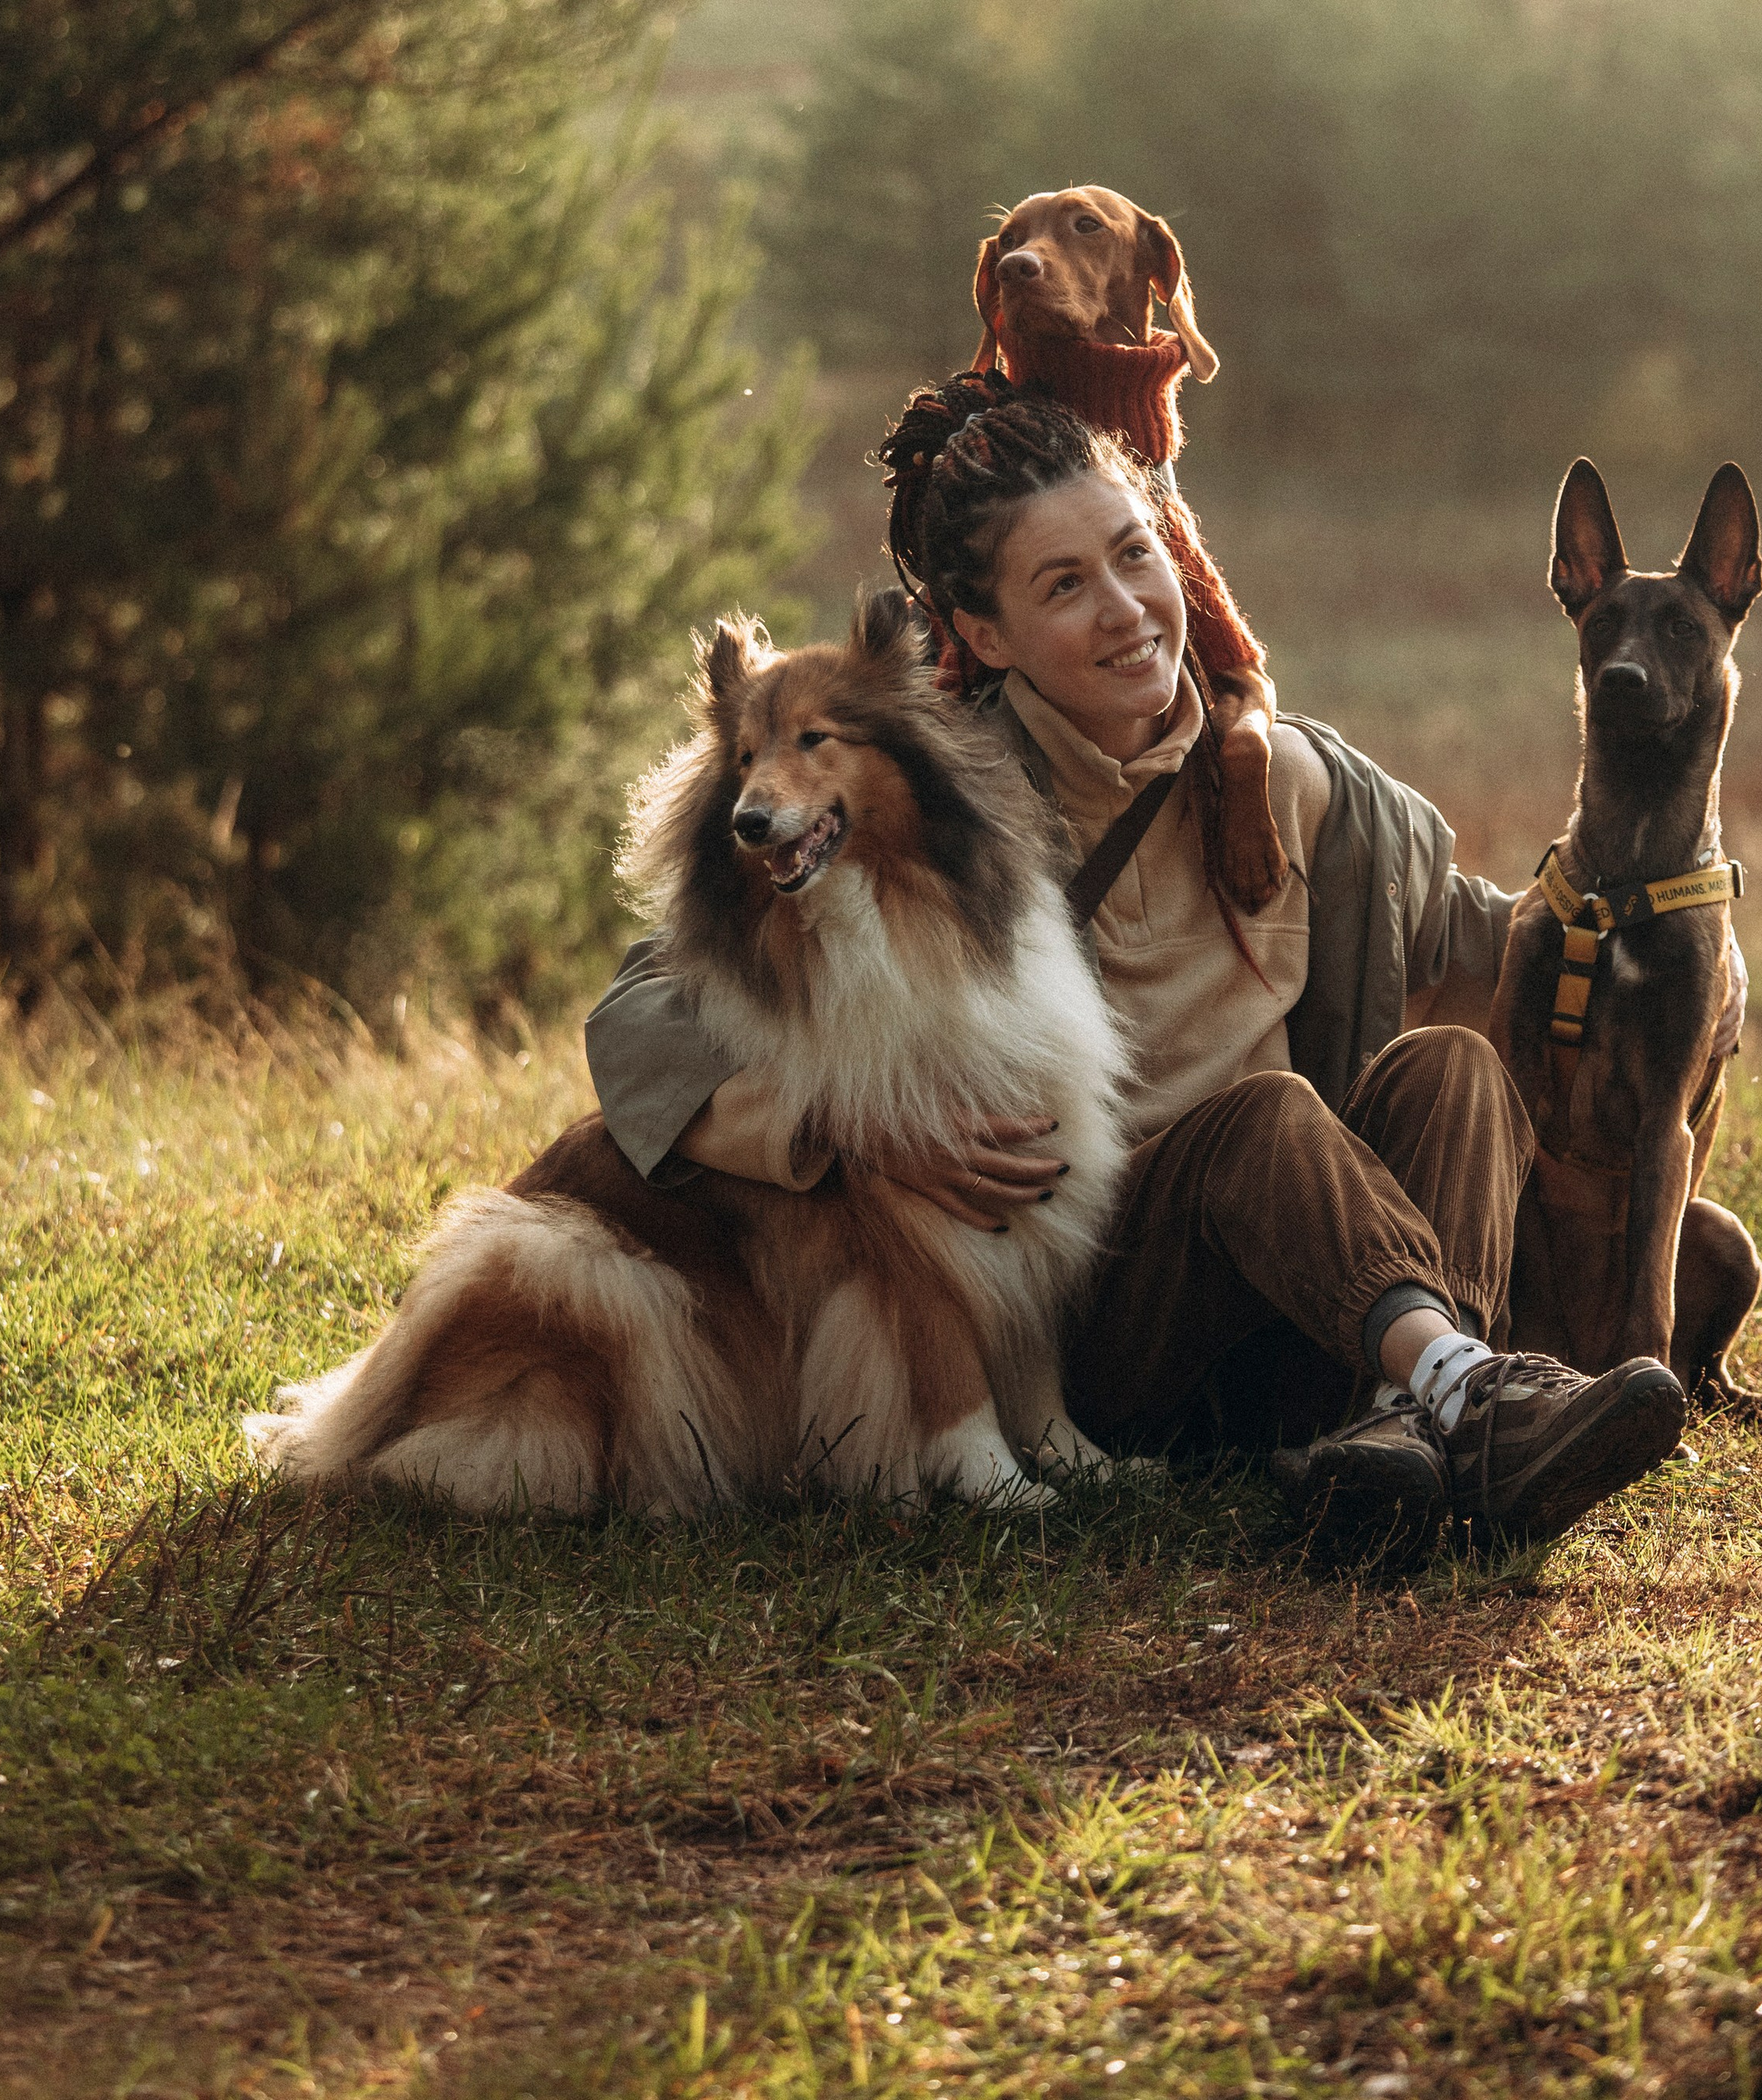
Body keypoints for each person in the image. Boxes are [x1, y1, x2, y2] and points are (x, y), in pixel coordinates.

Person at [585, 377, 1696, 1566]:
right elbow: (644, 1016)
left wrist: (1683, 902)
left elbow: (1515, 939)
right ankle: (1470, 1405)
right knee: (1266, 1117)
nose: (1125, 610)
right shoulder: (945, 808)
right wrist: (855, 1135)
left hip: (1322, 1293)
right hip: (1102, 1325)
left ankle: (1407, 1428)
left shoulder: (1294, 781)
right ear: (984, 638)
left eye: (1134, 555)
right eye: (1064, 586)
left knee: (1456, 1070)